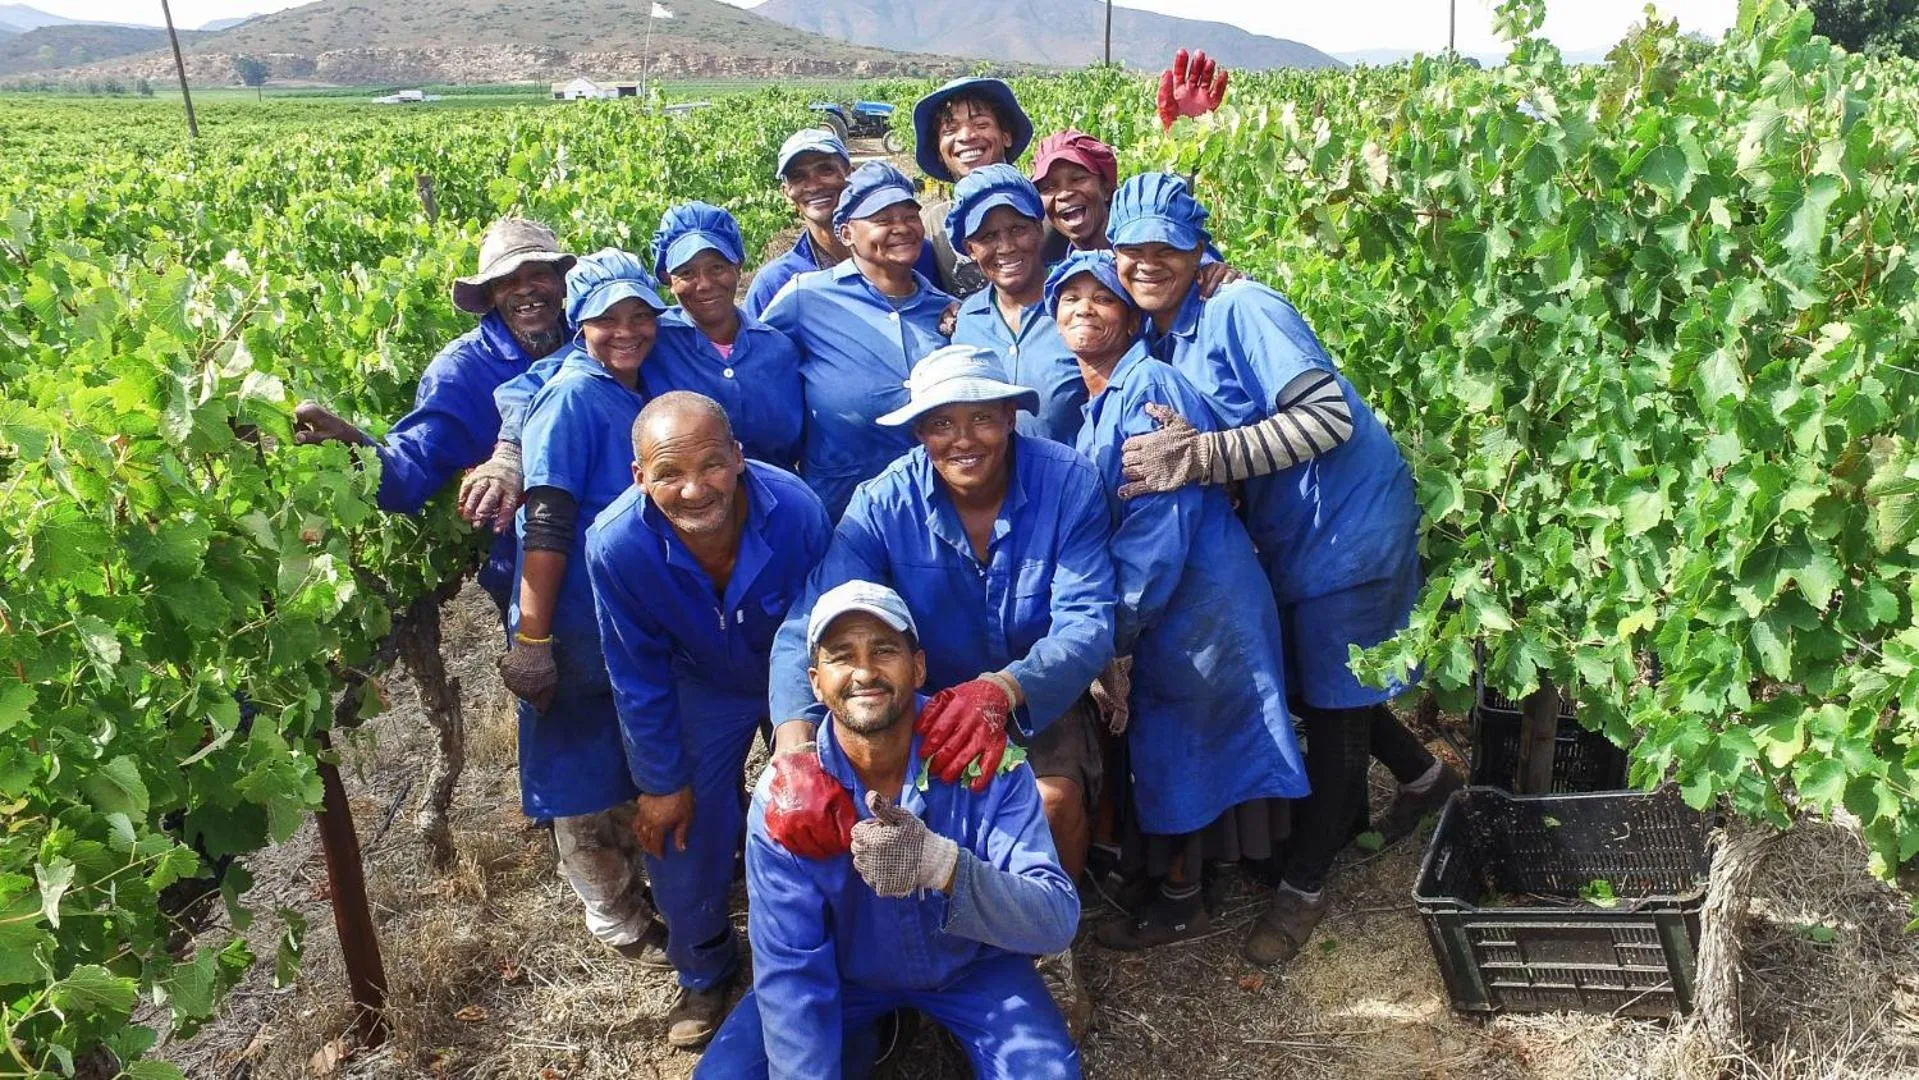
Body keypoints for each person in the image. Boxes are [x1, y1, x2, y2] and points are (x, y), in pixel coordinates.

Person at [1100, 174, 1462, 967]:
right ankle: (1427, 779)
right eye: (1131, 250)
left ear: (1199, 247)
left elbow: (1326, 417)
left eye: (1166, 246)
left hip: (1348, 527)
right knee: (1322, 681)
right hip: (1295, 531)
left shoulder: (1241, 307)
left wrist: (1204, 456)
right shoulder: (1170, 330)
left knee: (1331, 710)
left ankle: (1303, 887)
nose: (1147, 261)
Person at [762, 344, 1115, 1035]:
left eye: (981, 418)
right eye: (939, 423)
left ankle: (1045, 944)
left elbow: (1087, 621)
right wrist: (794, 745)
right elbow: (809, 621)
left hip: (1031, 684)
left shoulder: (1066, 480)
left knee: (1053, 799)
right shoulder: (882, 502)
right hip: (920, 699)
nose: (962, 440)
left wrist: (1003, 690)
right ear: (918, 430)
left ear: (1012, 416)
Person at [696, 581, 1082, 1080]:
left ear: (918, 666)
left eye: (884, 650)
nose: (864, 672)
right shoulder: (785, 796)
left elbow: (1054, 920)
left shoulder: (984, 761)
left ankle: (879, 1035)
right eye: (841, 656)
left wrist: (943, 867)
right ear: (815, 681)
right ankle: (873, 1034)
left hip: (975, 968)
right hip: (844, 975)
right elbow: (791, 966)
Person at [1042, 251, 1309, 948]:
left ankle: (1184, 899)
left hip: (1198, 597)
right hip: (1172, 597)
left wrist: (1117, 633)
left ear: (1130, 315)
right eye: (1066, 298)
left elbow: (1161, 524)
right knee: (1171, 740)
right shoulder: (1095, 405)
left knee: (1184, 739)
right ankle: (1170, 878)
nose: (1082, 309)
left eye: (1099, 297)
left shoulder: (1150, 383)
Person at [585, 391, 831, 1049]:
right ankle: (703, 966)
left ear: (739, 458)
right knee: (679, 827)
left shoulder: (797, 512)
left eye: (711, 466)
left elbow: (817, 630)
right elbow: (635, 671)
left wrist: (798, 732)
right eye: (668, 473)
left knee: (824, 799)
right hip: (703, 683)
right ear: (639, 477)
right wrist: (660, 780)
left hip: (798, 677)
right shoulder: (616, 544)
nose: (693, 489)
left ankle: (837, 945)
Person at [494, 248, 671, 968]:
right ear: (578, 324)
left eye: (639, 315)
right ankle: (618, 920)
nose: (626, 330)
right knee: (580, 775)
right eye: (607, 319)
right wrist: (533, 637)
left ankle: (644, 891)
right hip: (569, 612)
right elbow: (547, 519)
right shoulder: (574, 395)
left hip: (618, 611)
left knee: (625, 756)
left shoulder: (628, 383)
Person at [292, 217, 573, 612]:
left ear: (562, 282)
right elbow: (409, 475)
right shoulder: (461, 371)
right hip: (533, 576)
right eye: (508, 280)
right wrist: (354, 445)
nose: (526, 289)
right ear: (491, 295)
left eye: (539, 274)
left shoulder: (597, 335)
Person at [759, 161, 954, 520]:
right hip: (840, 511)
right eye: (882, 220)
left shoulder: (945, 311)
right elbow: (753, 358)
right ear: (847, 234)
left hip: (933, 509)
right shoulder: (806, 299)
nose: (901, 228)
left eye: (909, 216)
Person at [647, 201, 804, 468]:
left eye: (717, 267)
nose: (705, 284)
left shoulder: (778, 349)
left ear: (738, 266)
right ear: (667, 279)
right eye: (686, 273)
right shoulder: (652, 342)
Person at [947, 165, 1086, 446]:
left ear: (1038, 230)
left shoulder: (1079, 302)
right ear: (970, 249)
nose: (1007, 246)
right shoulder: (967, 321)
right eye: (988, 237)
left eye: (1017, 229)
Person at [745, 128, 940, 320]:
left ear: (850, 175)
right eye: (798, 177)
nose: (814, 186)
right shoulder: (777, 281)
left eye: (826, 170)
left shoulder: (912, 252)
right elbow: (752, 345)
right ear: (786, 192)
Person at [911, 77, 1036, 297]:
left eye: (981, 125)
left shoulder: (1041, 209)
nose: (966, 136)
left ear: (1005, 136)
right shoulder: (936, 224)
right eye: (950, 130)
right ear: (940, 152)